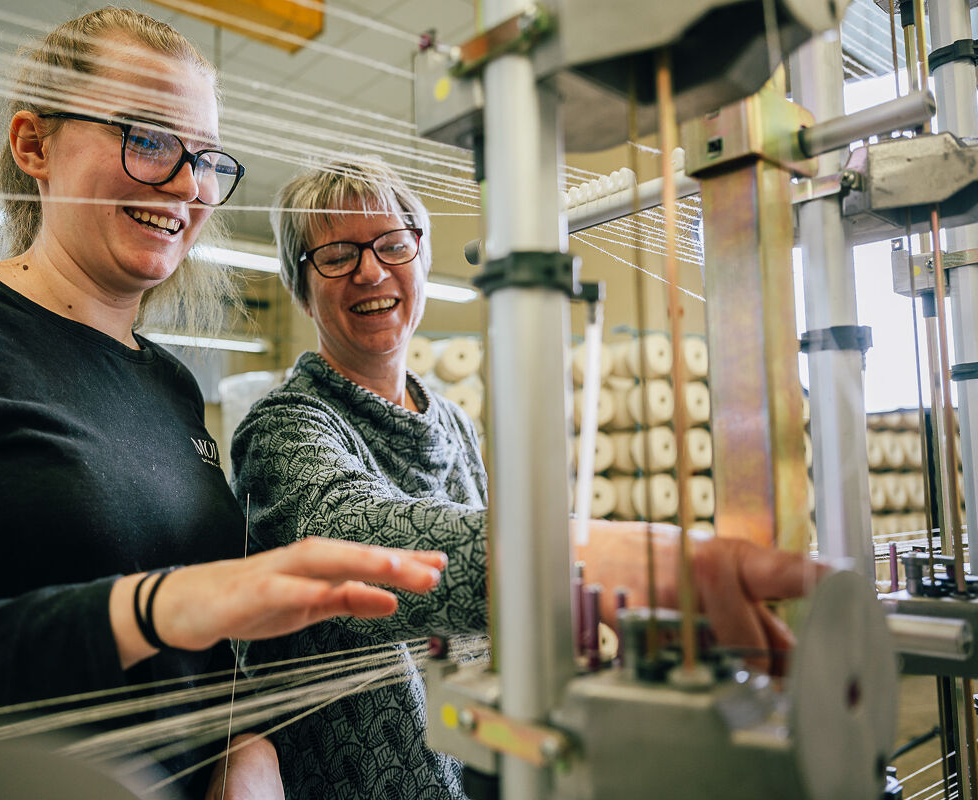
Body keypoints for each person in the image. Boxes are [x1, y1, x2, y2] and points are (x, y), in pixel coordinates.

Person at [0, 11, 448, 798]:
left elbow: (197, 659)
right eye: (149, 138)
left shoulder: (167, 385)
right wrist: (152, 606)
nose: (187, 186)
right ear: (35, 146)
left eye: (204, 159)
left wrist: (246, 746)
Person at [230, 156, 822, 799]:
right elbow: (350, 543)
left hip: (483, 759)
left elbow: (482, 612)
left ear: (421, 256)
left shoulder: (450, 421)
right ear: (300, 285)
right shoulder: (286, 428)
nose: (371, 270)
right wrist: (583, 553)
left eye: (392, 244)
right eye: (338, 255)